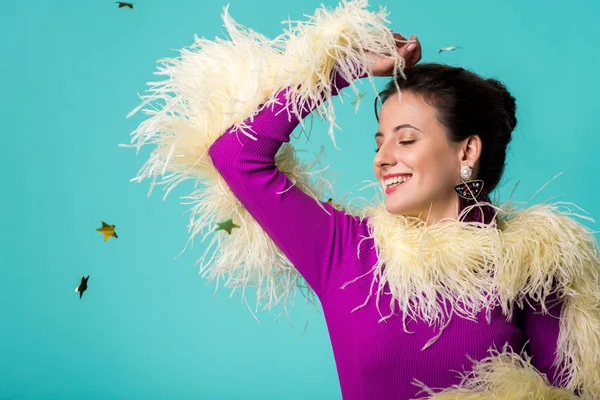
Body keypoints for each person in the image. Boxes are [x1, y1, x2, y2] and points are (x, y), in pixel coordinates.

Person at [127, 3, 600, 398]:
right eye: (379, 143)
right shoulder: (347, 250)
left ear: (467, 151)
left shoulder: (533, 264)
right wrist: (345, 66)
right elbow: (238, 155)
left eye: (406, 140)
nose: (381, 160)